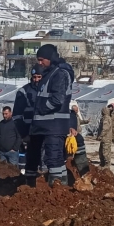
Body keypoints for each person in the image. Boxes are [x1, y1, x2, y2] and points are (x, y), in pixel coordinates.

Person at [26, 44, 75, 186]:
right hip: (47, 126)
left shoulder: (60, 74)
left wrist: (41, 108)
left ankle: (58, 188)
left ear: (50, 58)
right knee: (52, 158)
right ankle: (60, 186)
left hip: (54, 126)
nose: (39, 63)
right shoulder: (51, 73)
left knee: (54, 158)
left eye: (42, 59)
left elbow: (57, 100)